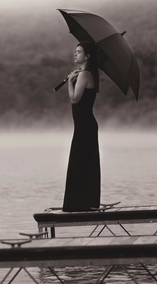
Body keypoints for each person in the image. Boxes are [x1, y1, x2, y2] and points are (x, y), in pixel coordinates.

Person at [61, 42, 100, 212]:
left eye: (79, 52)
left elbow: (75, 99)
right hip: (84, 126)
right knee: (82, 163)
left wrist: (70, 81)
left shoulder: (85, 74)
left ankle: (80, 203)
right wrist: (74, 78)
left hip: (85, 126)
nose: (75, 54)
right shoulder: (84, 74)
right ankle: (84, 202)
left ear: (87, 56)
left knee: (80, 163)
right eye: (75, 51)